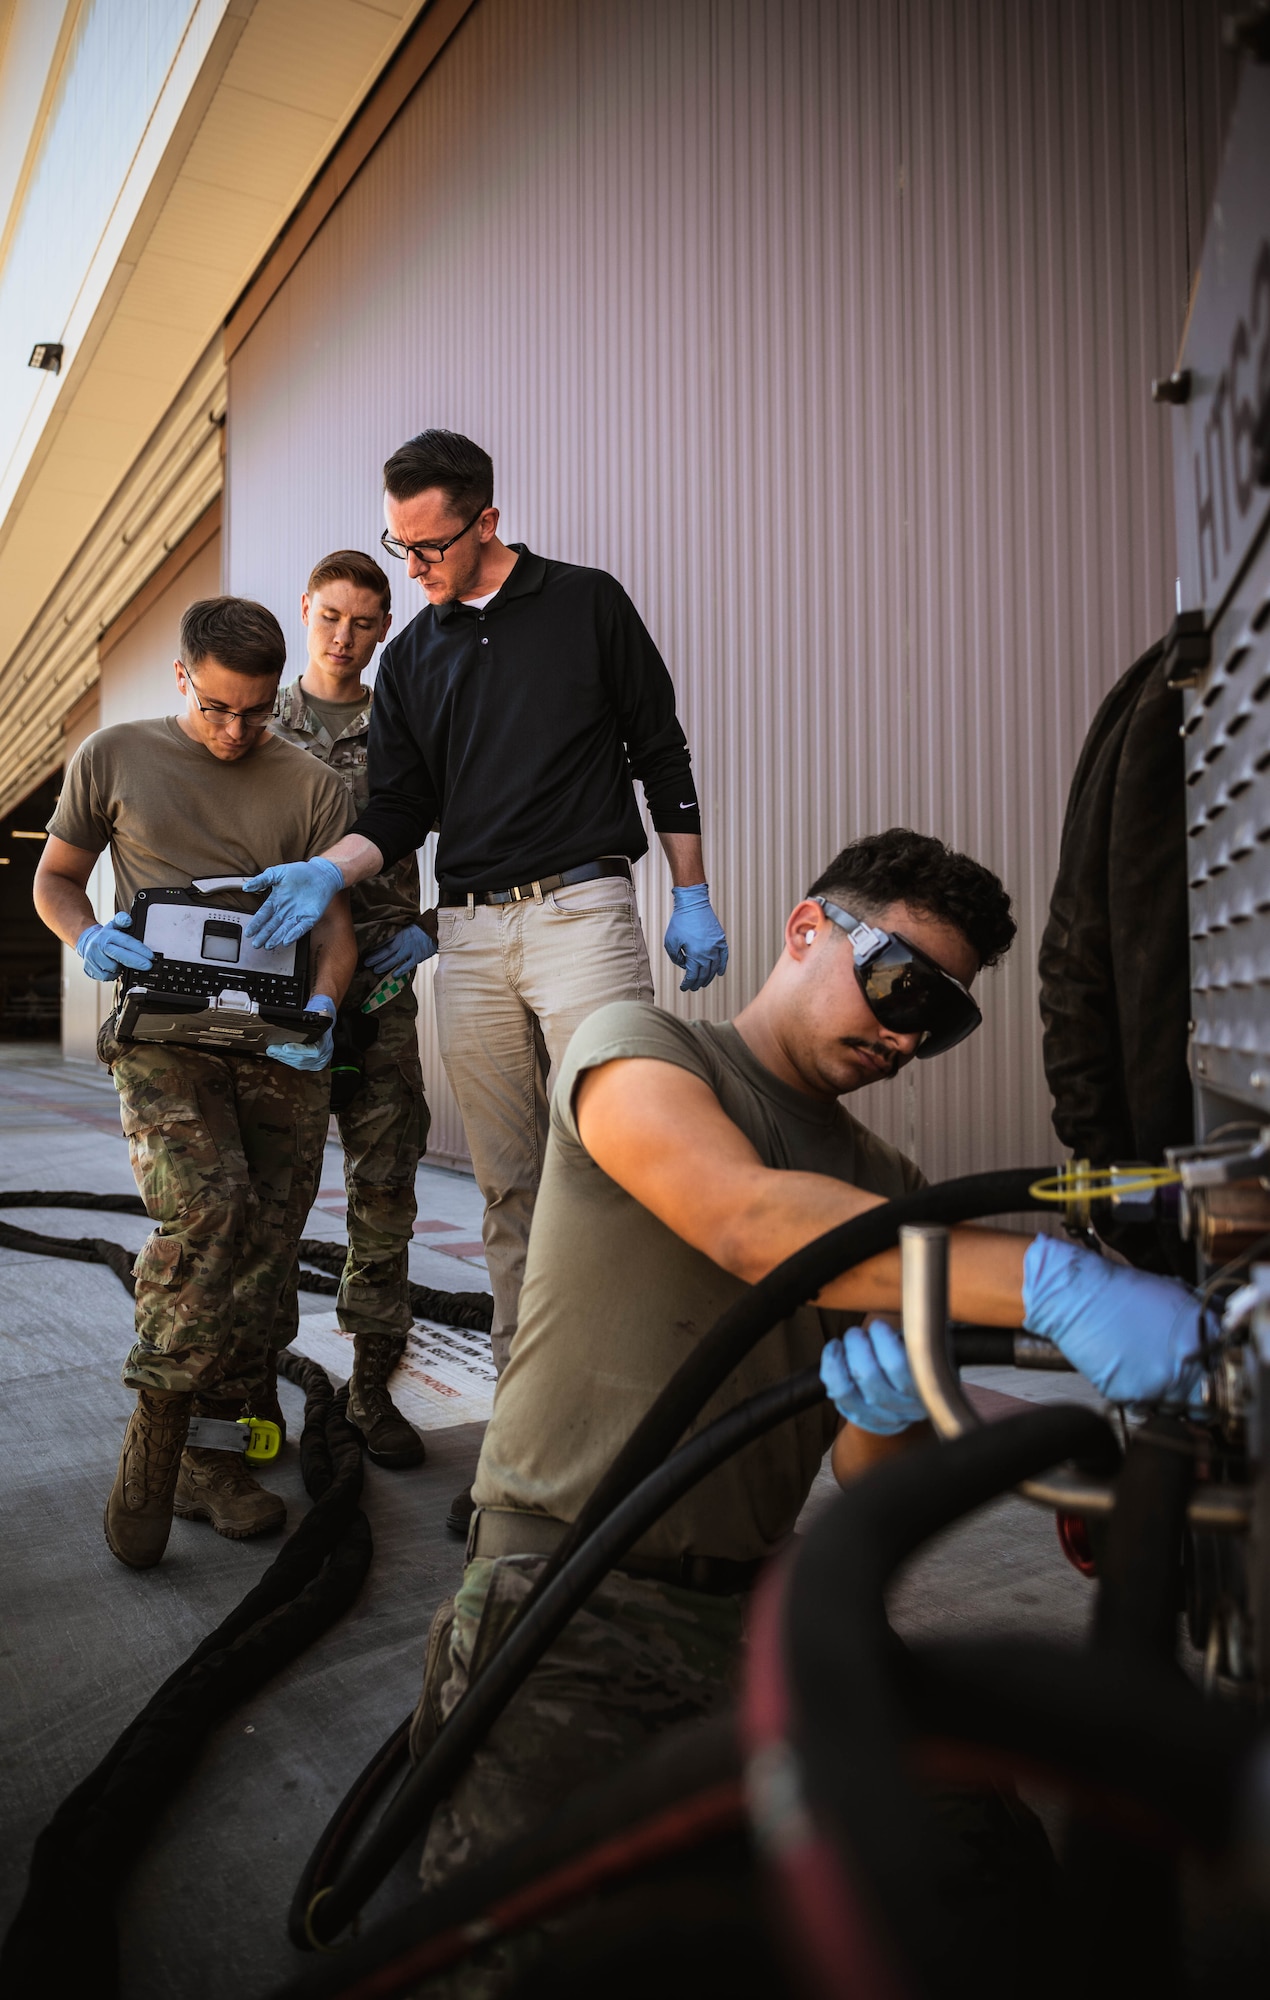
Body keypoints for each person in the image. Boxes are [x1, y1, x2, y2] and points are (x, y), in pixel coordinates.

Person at [407, 828, 1216, 1897]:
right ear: (805, 929)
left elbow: (869, 1476)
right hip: (562, 1589)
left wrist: (886, 1408)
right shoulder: (642, 1047)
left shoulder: (886, 1176)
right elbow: (745, 1219)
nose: (906, 1035)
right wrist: (1054, 1284)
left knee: (987, 1873)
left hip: (764, 1612)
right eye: (898, 984)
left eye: (942, 1017)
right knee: (546, 1947)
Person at [243, 428, 729, 1534]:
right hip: (465, 938)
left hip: (581, 916)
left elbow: (662, 750)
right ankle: (525, 1440)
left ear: (485, 521)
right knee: (509, 1190)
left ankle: (638, 1435)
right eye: (395, 544)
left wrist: (692, 892)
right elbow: (399, 814)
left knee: (624, 1165)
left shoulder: (588, 604)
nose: (408, 569)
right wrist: (333, 866)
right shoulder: (413, 659)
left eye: (426, 546)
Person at [33, 597, 357, 1570]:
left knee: (265, 1244)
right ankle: (157, 1429)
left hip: (274, 1036)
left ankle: (215, 1459)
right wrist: (86, 933)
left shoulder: (311, 783)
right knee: (208, 1210)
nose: (233, 731)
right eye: (217, 707)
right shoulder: (113, 756)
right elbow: (55, 876)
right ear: (182, 677)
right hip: (163, 1029)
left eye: (255, 712)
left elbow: (336, 935)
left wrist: (326, 1012)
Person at [267, 549, 432, 1468]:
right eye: (331, 616)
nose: (346, 637)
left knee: (385, 1194)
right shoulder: (262, 721)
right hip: (282, 992)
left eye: (366, 622)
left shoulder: (404, 723)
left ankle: (372, 1389)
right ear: (305, 610)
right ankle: (254, 1383)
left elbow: (491, 826)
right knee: (272, 1195)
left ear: (384, 626)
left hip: (379, 991)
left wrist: (433, 928)